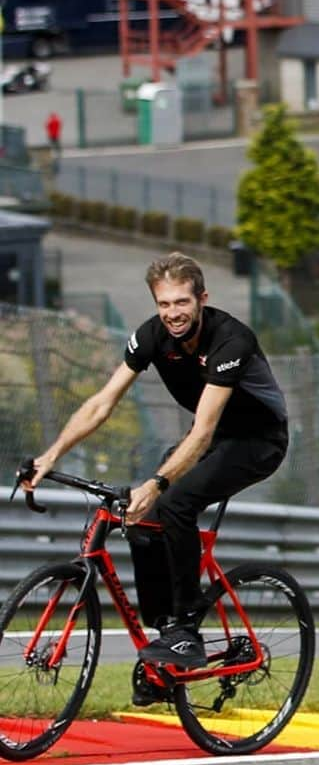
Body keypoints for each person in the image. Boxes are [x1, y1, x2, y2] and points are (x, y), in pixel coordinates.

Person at [24, 252, 289, 695]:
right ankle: (164, 643)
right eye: (163, 304)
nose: (173, 314)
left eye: (181, 303)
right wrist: (50, 456)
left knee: (174, 502)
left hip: (257, 442)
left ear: (202, 298)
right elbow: (101, 403)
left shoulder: (230, 341)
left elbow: (203, 433)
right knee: (139, 516)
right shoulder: (151, 337)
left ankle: (186, 629)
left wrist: (157, 483)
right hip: (210, 437)